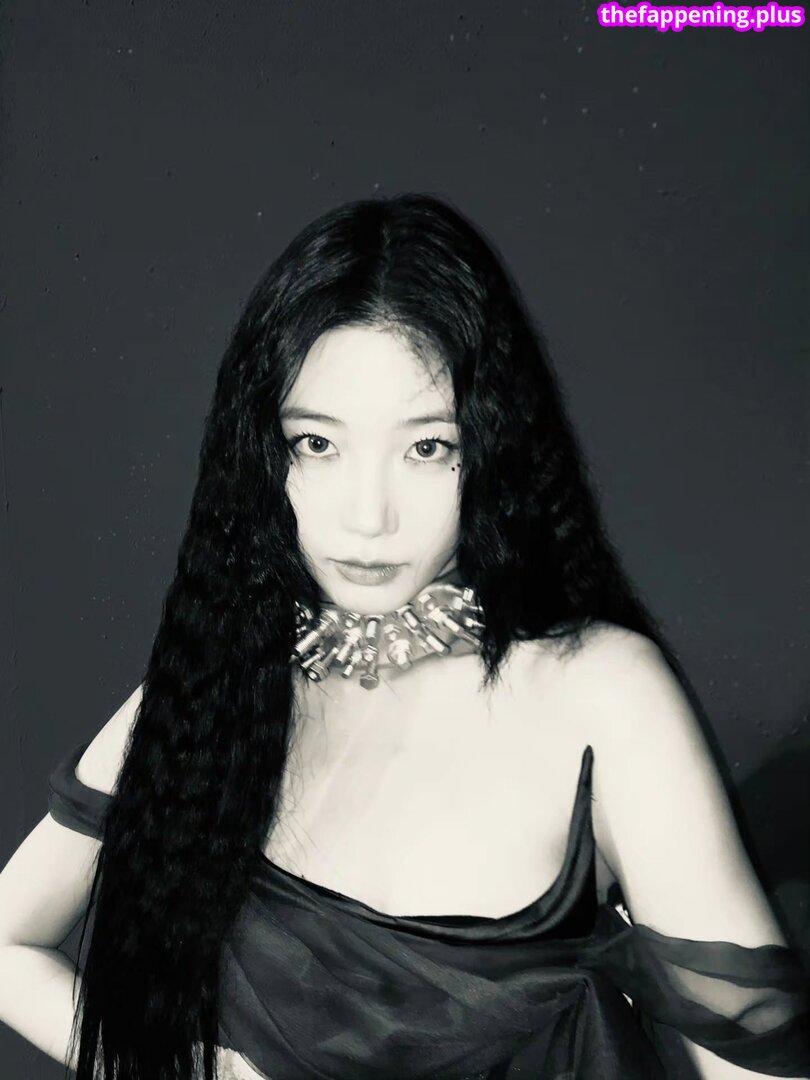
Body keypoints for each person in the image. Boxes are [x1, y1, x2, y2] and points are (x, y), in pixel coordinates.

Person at [0, 193, 808, 1080]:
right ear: (262, 453)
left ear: (494, 449)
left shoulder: (601, 696)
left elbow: (754, 1063)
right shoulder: (212, 687)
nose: (368, 515)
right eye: (316, 444)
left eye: (428, 448)